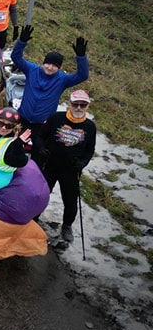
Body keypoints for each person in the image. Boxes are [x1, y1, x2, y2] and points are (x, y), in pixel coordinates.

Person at [12, 25, 89, 167]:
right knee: (15, 148)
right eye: (47, 63)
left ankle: (34, 177)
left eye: (54, 65)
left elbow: (82, 75)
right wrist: (21, 41)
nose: (50, 67)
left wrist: (81, 57)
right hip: (23, 118)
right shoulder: (32, 70)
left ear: (59, 68)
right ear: (43, 63)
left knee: (39, 154)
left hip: (43, 124)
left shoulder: (62, 80)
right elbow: (16, 58)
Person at [39, 89, 96, 243]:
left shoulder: (90, 126)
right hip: (51, 165)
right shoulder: (56, 118)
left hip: (71, 170)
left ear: (87, 107)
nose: (78, 108)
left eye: (82, 105)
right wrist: (41, 149)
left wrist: (83, 163)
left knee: (70, 201)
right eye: (75, 104)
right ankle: (34, 216)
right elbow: (41, 135)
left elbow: (90, 149)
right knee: (42, 194)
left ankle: (67, 226)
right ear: (69, 104)